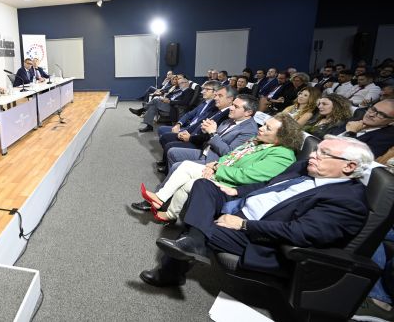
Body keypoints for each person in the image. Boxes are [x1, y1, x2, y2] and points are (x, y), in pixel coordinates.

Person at [140, 137, 373, 288]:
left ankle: (171, 270)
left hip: (258, 235)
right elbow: (268, 184)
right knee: (204, 185)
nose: (313, 155)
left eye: (324, 154)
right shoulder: (306, 168)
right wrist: (235, 190)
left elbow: (301, 233)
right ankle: (194, 242)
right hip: (241, 204)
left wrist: (243, 225)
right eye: (317, 150)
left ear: (349, 167)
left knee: (201, 225)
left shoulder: (348, 201)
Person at [142, 113, 302, 223]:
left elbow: (247, 176)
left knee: (189, 184)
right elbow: (232, 156)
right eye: (264, 124)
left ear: (282, 138)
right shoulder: (259, 141)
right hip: (224, 173)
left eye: (268, 128)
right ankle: (160, 198)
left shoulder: (283, 156)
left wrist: (218, 168)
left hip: (236, 186)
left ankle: (170, 215)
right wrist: (213, 166)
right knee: (185, 166)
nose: (261, 128)